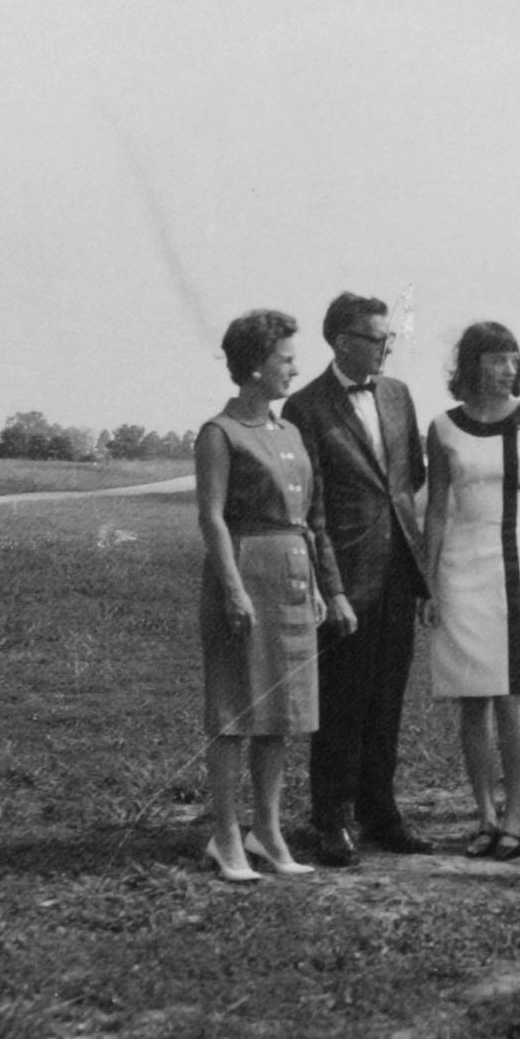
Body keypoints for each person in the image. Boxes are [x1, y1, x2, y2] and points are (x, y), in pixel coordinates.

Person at [282, 292, 432, 865]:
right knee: (342, 700)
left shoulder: (397, 395)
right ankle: (332, 818)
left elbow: (407, 479)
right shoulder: (306, 408)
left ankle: (381, 811)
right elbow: (312, 507)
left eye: (388, 338)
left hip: (399, 571)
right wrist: (333, 587)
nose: (387, 347)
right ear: (344, 342)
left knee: (387, 700)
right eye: (377, 339)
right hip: (344, 579)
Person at [422, 322, 520, 861]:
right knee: (471, 699)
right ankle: (483, 813)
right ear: (472, 366)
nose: (508, 368)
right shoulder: (442, 427)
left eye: (514, 358)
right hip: (462, 568)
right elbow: (437, 510)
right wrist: (428, 579)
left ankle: (514, 815)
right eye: (496, 359)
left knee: (513, 695)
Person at [195, 309, 325, 883]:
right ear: (253, 366)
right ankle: (225, 839)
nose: (295, 369)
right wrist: (232, 588)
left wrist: (317, 584)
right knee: (234, 712)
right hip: (246, 578)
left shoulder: (291, 432)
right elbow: (213, 519)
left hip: (294, 579)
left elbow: (304, 519)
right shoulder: (219, 434)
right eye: (285, 359)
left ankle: (266, 832)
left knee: (281, 713)